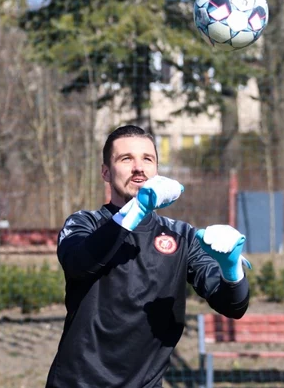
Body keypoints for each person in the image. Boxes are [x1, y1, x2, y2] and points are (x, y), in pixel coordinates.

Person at [45, 125, 252, 388]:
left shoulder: (181, 236)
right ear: (106, 172)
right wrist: (136, 209)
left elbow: (233, 306)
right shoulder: (85, 224)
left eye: (147, 159)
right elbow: (79, 263)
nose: (138, 167)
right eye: (126, 159)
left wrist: (231, 269)